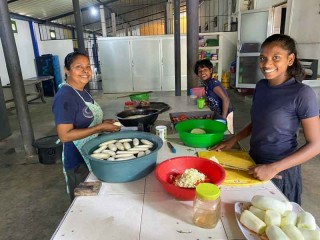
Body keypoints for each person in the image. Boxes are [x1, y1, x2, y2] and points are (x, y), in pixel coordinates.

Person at [213, 34, 320, 204]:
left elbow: (316, 145)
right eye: (263, 58)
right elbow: (260, 121)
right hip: (254, 161)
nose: (267, 64)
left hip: (280, 172)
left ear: (290, 59)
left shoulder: (302, 94)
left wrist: (273, 168)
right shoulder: (262, 86)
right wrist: (235, 139)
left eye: (276, 58)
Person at [52, 52, 120, 201]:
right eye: (78, 67)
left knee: (96, 199)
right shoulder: (65, 97)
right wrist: (99, 128)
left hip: (91, 152)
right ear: (67, 70)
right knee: (83, 202)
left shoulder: (81, 91)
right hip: (77, 161)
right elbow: (64, 136)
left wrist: (103, 122)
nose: (85, 71)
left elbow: (85, 118)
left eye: (88, 66)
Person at [194, 59, 234, 133]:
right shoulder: (207, 84)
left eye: (205, 70)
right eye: (200, 71)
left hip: (226, 114)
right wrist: (206, 102)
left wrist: (223, 118)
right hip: (218, 114)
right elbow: (214, 98)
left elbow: (226, 99)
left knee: (225, 134)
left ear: (211, 70)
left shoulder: (213, 83)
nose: (202, 72)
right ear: (197, 74)